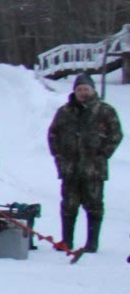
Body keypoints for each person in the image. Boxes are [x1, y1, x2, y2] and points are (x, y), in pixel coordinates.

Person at [48, 73, 123, 255]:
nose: (83, 92)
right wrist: (59, 156)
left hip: (94, 170)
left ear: (93, 90)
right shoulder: (64, 112)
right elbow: (53, 135)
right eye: (79, 89)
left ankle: (92, 242)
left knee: (95, 206)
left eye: (86, 89)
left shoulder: (105, 111)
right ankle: (67, 240)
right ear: (75, 91)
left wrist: (103, 154)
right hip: (70, 169)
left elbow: (116, 135)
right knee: (68, 206)